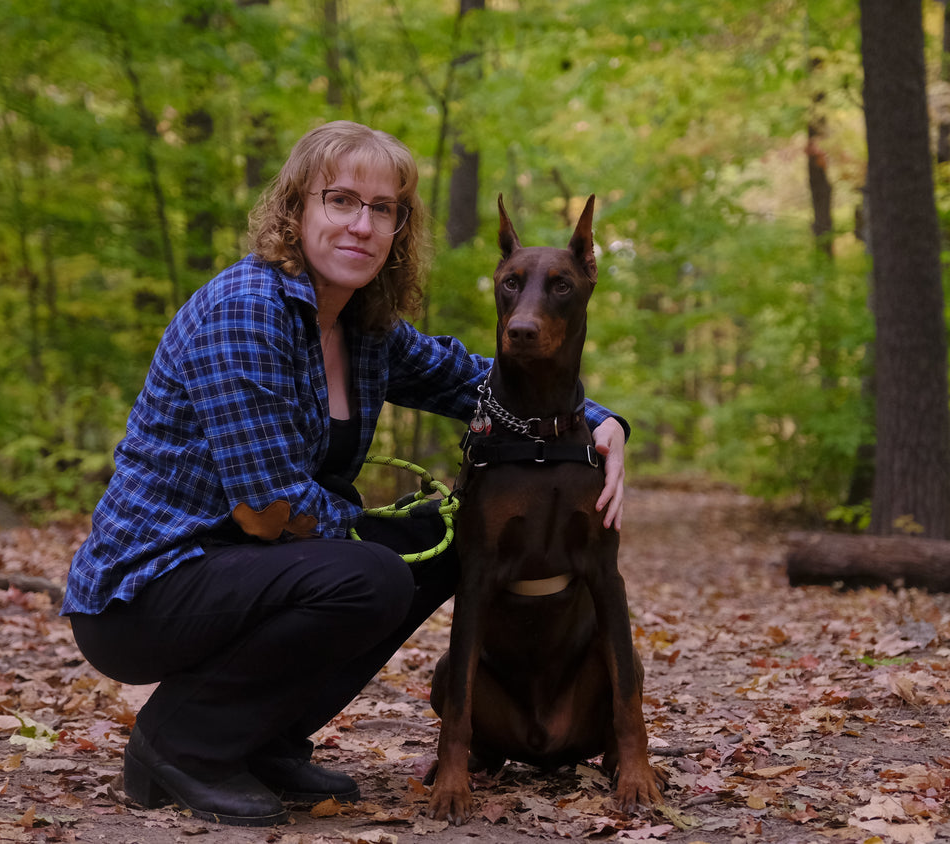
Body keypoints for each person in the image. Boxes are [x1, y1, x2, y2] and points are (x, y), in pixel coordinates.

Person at [62, 120, 629, 827]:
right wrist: (367, 534)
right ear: (296, 208)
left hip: (240, 571)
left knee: (437, 541)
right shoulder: (249, 311)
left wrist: (604, 421)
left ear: (399, 228)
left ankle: (262, 739)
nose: (362, 224)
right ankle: (181, 745)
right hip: (147, 589)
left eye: (383, 208)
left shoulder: (365, 326)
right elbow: (265, 513)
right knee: (375, 571)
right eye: (340, 200)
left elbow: (475, 381)